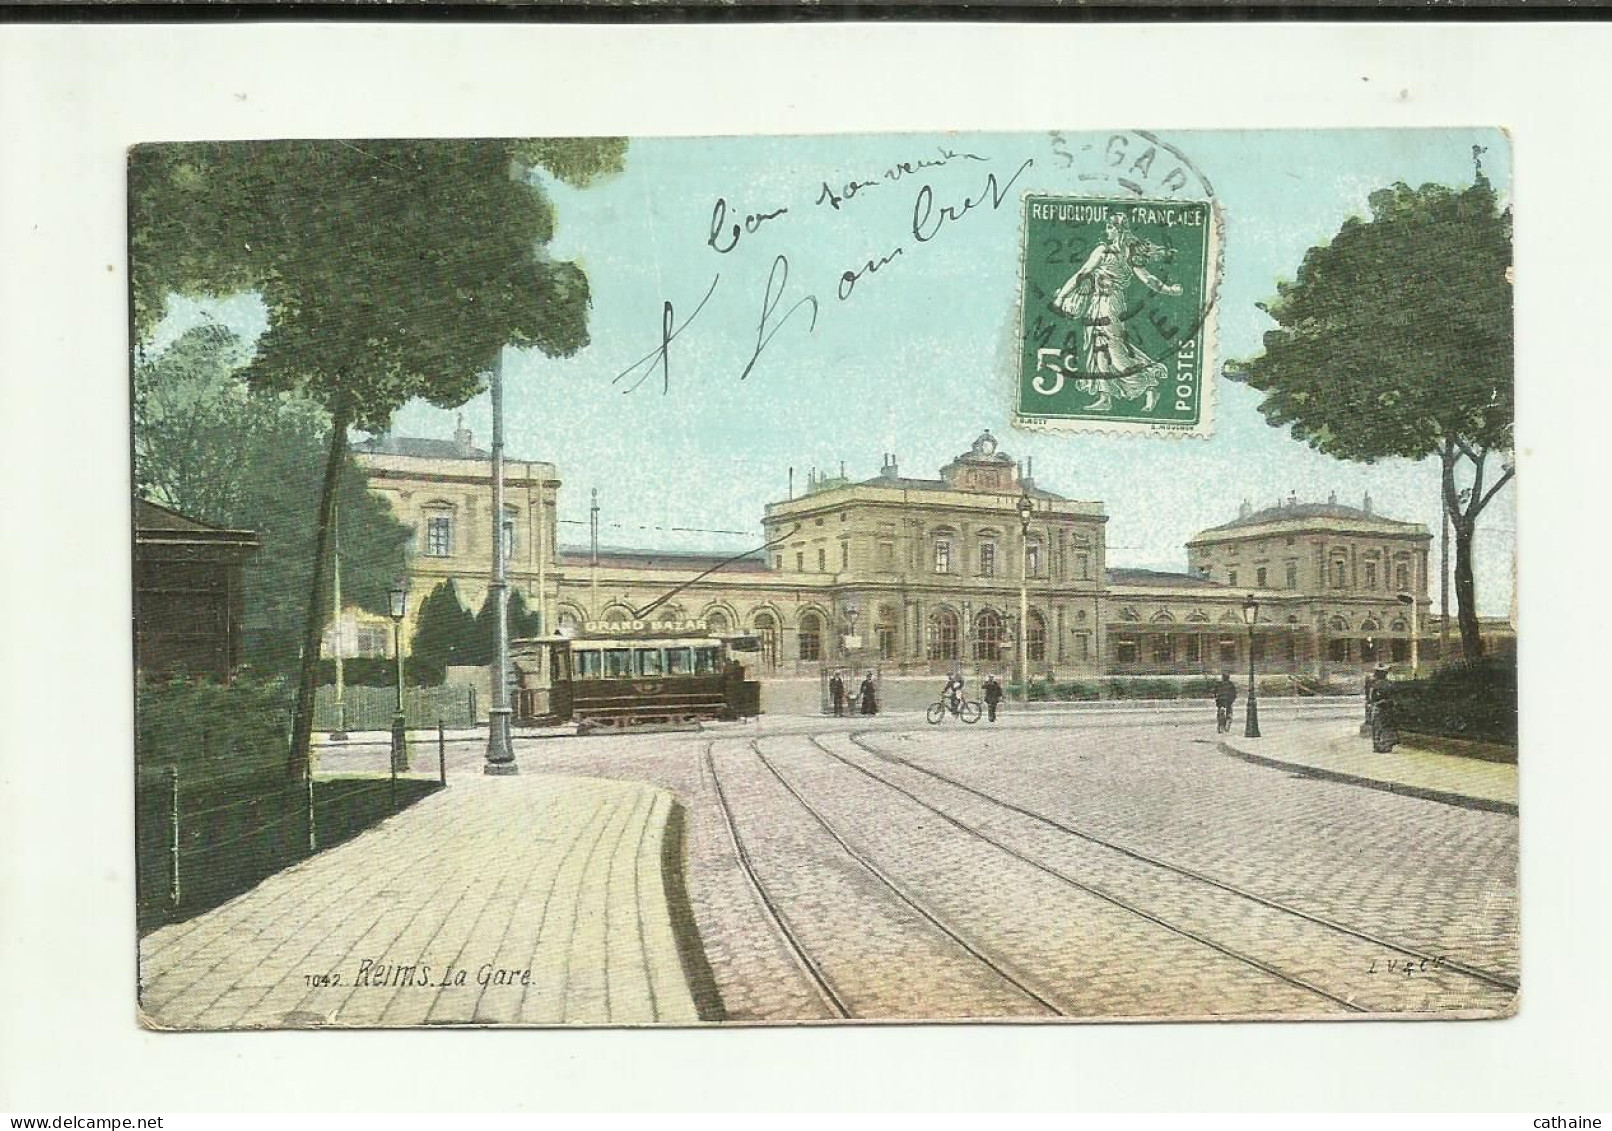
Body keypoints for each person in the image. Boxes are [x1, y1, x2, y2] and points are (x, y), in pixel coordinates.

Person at [1052, 212, 1182, 413]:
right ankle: (1105, 397)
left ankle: (1149, 384)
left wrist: (1061, 297)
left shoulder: (1107, 251)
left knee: (1114, 350)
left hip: (1109, 305)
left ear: (1118, 230)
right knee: (1098, 349)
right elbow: (1148, 280)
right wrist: (1169, 290)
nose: (1107, 231)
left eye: (1110, 228)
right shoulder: (1120, 253)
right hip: (1098, 303)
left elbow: (1083, 274)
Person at [1368, 665, 1399, 753]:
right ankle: (1382, 746)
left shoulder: (1379, 684)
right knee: (1383, 726)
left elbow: (1372, 698)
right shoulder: (1386, 684)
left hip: (1382, 708)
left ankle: (1382, 746)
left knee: (1381, 727)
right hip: (1384, 708)